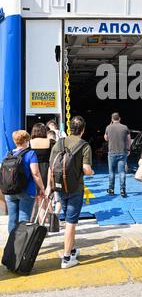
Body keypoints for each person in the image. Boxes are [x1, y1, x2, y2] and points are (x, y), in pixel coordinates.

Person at [46, 116, 94, 269]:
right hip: (75, 189)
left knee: (67, 220)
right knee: (71, 224)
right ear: (83, 130)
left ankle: (72, 250)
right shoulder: (84, 146)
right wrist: (91, 171)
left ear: (70, 128)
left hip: (59, 187)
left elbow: (51, 167)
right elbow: (86, 169)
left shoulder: (59, 143)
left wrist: (49, 186)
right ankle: (67, 258)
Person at [5, 130, 45, 233]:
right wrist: (42, 187)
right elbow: (35, 173)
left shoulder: (8, 155)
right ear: (27, 140)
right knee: (24, 220)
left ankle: (12, 245)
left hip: (10, 191)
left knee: (12, 219)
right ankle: (22, 246)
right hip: (26, 191)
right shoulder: (30, 154)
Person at [104, 113, 131, 197]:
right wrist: (128, 149)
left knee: (111, 172)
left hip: (112, 152)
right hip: (122, 152)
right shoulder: (125, 127)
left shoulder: (108, 127)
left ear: (112, 119)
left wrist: (109, 126)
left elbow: (106, 138)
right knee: (122, 172)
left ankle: (111, 189)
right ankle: (122, 190)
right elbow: (129, 139)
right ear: (119, 118)